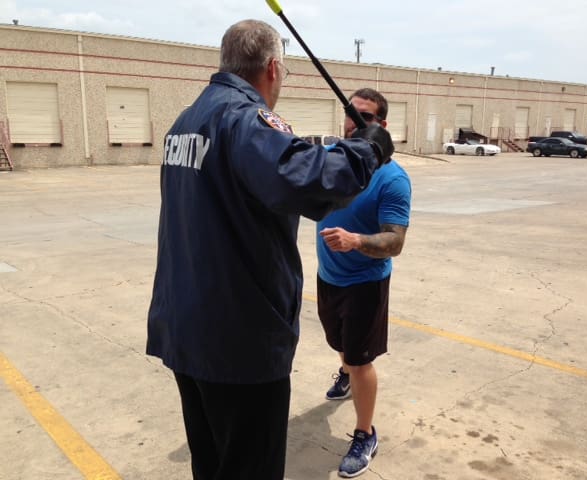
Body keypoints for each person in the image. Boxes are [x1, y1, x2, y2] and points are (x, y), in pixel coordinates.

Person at [146, 20, 394, 480]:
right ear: (274, 68)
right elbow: (312, 185)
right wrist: (368, 149)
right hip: (238, 339)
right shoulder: (243, 119)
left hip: (187, 326)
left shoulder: (187, 120)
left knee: (213, 461)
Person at [316, 88, 411, 478]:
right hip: (327, 277)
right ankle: (345, 371)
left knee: (360, 359)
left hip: (364, 283)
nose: (355, 122)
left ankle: (365, 433)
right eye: (351, 114)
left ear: (382, 125)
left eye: (366, 117)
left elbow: (395, 241)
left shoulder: (392, 179)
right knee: (339, 345)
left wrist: (356, 241)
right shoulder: (334, 160)